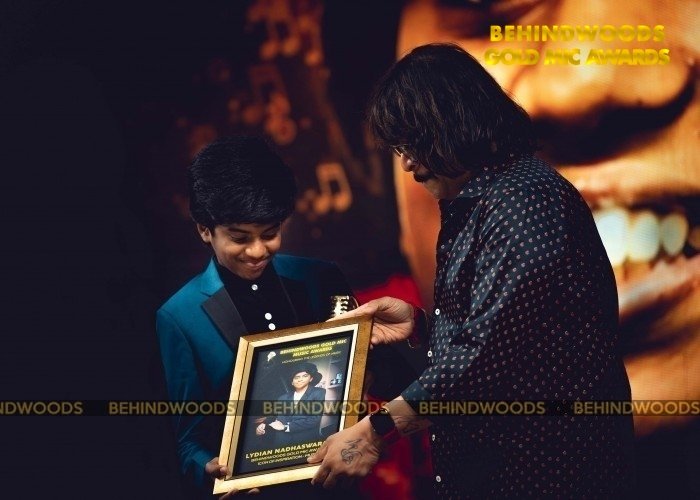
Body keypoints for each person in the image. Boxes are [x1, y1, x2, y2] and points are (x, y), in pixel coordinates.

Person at [308, 43, 635, 497]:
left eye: (413, 143)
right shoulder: (486, 199)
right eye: (399, 149)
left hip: (548, 478)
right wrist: (421, 325)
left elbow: (486, 358)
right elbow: (520, 338)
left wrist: (375, 432)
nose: (406, 164)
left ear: (453, 122)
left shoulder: (523, 201)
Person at [156, 136, 355, 497]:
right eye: (239, 238)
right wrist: (209, 472)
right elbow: (189, 443)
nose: (258, 251)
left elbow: (372, 370)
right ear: (204, 229)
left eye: (270, 233)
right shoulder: (178, 317)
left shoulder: (323, 278)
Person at [257, 362, 326, 447]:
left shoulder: (319, 393)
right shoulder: (282, 398)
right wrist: (263, 424)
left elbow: (314, 419)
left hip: (304, 442)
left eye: (305, 376)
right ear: (292, 382)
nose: (300, 379)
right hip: (281, 442)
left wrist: (286, 427)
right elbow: (274, 415)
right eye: (296, 377)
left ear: (311, 378)